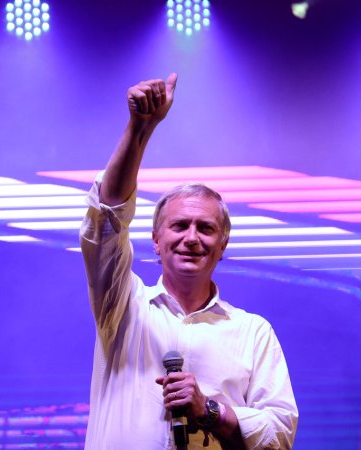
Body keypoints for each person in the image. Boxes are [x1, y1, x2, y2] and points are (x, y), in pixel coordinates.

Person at [80, 73, 298, 449]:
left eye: (206, 228)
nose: (192, 238)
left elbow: (280, 433)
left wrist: (209, 410)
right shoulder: (122, 307)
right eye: (180, 225)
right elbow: (108, 217)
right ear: (156, 240)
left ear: (222, 244)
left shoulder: (252, 332)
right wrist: (139, 129)